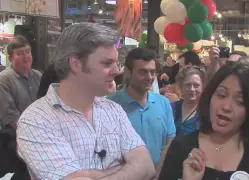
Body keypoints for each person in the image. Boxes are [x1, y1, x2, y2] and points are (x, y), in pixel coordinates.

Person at [16, 23, 155, 180]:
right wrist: (126, 167)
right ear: (75, 64)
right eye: (107, 63)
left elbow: (147, 166)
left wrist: (90, 175)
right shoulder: (36, 120)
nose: (117, 71)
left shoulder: (113, 110)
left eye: (116, 62)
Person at [159, 62, 249, 180]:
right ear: (209, 96)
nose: (226, 107)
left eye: (240, 101)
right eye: (221, 95)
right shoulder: (182, 147)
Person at [108, 48, 176, 176]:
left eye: (152, 72)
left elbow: (169, 141)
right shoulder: (111, 105)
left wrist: (156, 174)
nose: (149, 77)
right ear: (128, 72)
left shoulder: (163, 103)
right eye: (142, 72)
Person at [0, 35, 42, 180]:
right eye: (20, 53)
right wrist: (35, 138)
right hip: (14, 136)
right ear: (10, 58)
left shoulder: (37, 76)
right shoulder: (4, 80)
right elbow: (11, 117)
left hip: (39, 133)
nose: (26, 56)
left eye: (28, 52)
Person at [171, 66, 206, 136]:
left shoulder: (206, 113)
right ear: (181, 86)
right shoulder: (171, 108)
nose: (192, 89)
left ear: (203, 87)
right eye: (188, 85)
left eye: (196, 85)